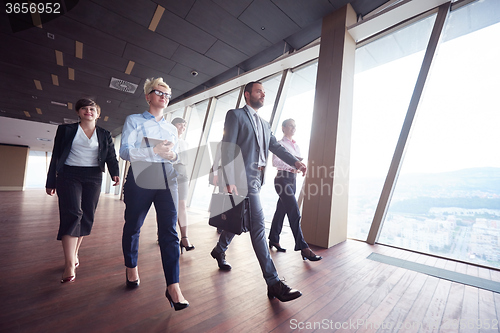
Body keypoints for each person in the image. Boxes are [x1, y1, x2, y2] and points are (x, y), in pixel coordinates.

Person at [210, 81, 307, 302]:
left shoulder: (265, 124)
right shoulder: (235, 115)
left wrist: (296, 163)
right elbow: (228, 146)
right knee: (258, 227)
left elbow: (276, 147)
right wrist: (229, 177)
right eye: (258, 91)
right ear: (247, 95)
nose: (263, 94)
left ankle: (219, 249)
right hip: (241, 177)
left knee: (242, 220)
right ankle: (273, 282)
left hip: (256, 179)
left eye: (264, 91)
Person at [120, 77, 189, 311]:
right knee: (133, 226)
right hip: (141, 176)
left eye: (167, 95)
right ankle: (131, 267)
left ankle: (173, 286)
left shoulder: (171, 128)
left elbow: (176, 155)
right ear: (148, 96)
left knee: (170, 231)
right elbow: (125, 152)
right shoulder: (134, 121)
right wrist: (153, 150)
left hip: (167, 177)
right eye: (159, 93)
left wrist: (172, 156)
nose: (163, 97)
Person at [46, 99, 120, 283]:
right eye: (84, 108)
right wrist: (51, 181)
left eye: (92, 109)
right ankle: (69, 263)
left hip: (93, 176)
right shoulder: (66, 130)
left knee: (87, 215)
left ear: (98, 114)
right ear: (78, 112)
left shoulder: (104, 134)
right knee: (72, 214)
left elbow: (111, 156)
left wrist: (115, 173)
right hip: (68, 174)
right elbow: (56, 156)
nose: (89, 111)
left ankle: (75, 252)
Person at [269, 119, 322, 261]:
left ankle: (273, 238)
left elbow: (295, 163)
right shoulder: (279, 144)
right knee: (294, 211)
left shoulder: (296, 146)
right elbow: (275, 162)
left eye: (295, 126)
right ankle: (304, 248)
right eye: (291, 125)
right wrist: (293, 165)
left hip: (293, 180)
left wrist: (299, 167)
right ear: (283, 128)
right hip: (282, 179)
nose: (294, 128)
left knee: (281, 211)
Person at [171, 117, 195, 253]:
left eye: (184, 125)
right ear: (173, 126)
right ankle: (163, 233)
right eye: (180, 124)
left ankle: (184, 237)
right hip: (170, 172)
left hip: (183, 172)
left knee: (182, 205)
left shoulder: (186, 143)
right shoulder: (168, 140)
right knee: (167, 204)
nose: (182, 127)